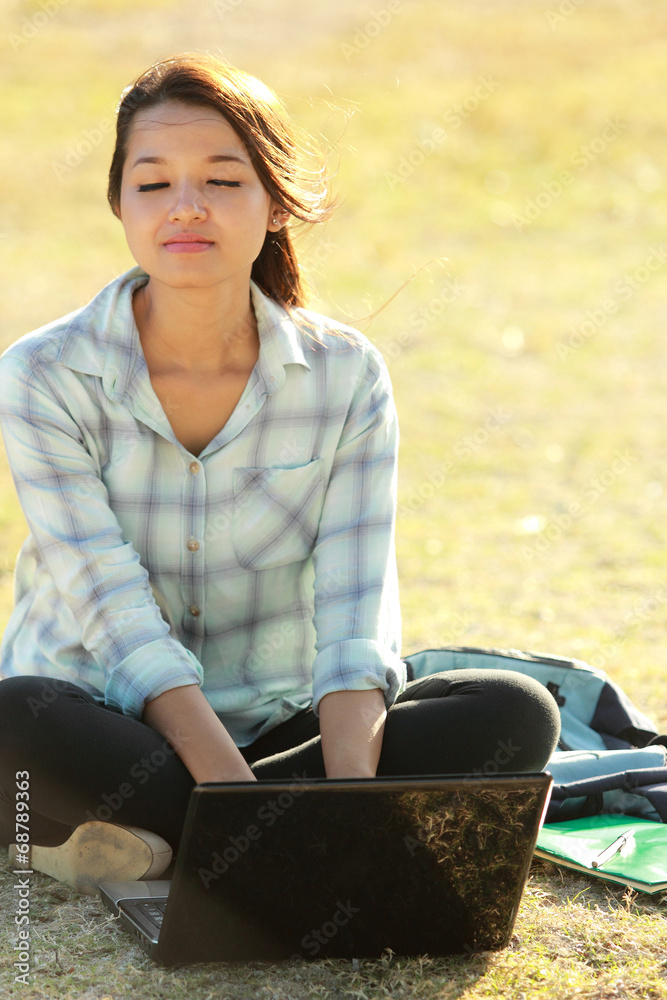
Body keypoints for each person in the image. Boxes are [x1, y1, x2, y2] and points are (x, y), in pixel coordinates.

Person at [0, 54, 560, 895]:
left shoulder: (344, 374)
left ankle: (168, 843)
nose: (186, 206)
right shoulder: (43, 374)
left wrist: (348, 800)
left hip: (277, 725)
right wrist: (234, 798)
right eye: (152, 185)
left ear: (273, 201)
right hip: (106, 720)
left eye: (222, 180)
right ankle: (232, 828)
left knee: (512, 711)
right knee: (15, 722)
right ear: (119, 204)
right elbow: (117, 618)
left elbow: (352, 612)